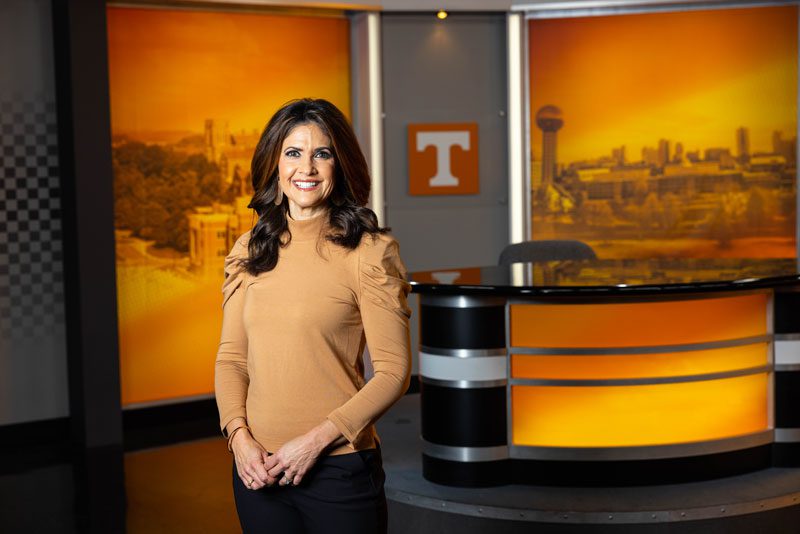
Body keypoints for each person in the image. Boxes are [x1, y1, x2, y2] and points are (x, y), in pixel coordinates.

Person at [214, 98, 411, 534]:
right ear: (275, 163)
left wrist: (317, 440)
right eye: (293, 153)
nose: (307, 168)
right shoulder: (249, 250)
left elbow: (394, 372)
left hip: (337, 470)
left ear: (339, 164)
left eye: (321, 153)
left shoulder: (370, 252)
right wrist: (239, 439)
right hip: (258, 470)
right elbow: (231, 359)